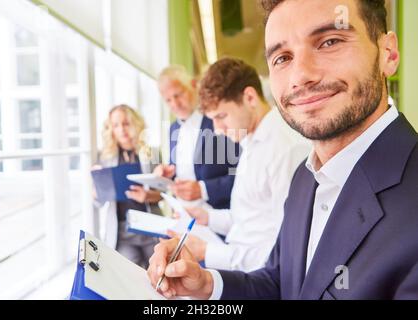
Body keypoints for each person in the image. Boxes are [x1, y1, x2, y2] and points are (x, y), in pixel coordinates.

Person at [147, 0, 418, 299]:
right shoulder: (306, 177)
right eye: (282, 58)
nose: (300, 76)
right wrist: (209, 284)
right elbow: (282, 282)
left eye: (329, 41)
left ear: (388, 53)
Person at [167, 57, 310, 272]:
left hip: (260, 278)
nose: (216, 129)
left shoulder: (286, 148)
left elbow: (287, 249)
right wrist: (207, 217)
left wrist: (207, 252)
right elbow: (248, 217)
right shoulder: (250, 141)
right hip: (238, 261)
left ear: (250, 98)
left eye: (221, 116)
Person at [154, 65, 240, 210]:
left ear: (194, 85)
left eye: (178, 95)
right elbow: (178, 170)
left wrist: (203, 189)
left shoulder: (219, 121)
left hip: (220, 216)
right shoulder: (173, 129)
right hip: (183, 214)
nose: (175, 104)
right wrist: (166, 174)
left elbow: (242, 174)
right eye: (168, 100)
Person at [93, 104, 162, 269]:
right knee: (130, 274)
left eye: (126, 123)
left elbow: (165, 194)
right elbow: (98, 202)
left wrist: (148, 196)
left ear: (136, 125)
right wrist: (96, 190)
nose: (122, 130)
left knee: (159, 272)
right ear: (111, 130)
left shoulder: (152, 153)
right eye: (116, 125)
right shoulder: (104, 158)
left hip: (150, 227)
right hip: (122, 232)